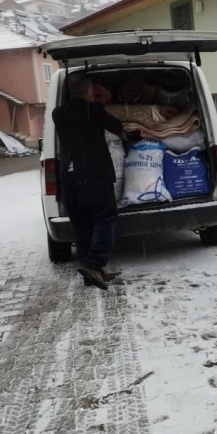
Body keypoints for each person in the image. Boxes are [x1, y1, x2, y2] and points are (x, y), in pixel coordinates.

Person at [52, 73, 125, 291]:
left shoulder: (58, 114)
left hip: (69, 179)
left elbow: (73, 117)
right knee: (106, 217)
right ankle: (94, 264)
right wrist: (98, 105)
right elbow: (117, 126)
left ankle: (91, 275)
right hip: (93, 175)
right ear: (88, 90)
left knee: (82, 226)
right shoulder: (93, 110)